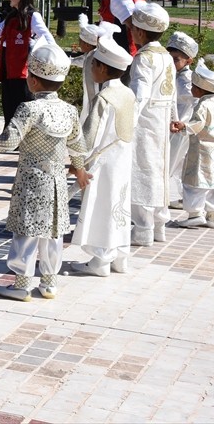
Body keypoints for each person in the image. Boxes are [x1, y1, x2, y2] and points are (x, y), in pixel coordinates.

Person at [0, 42, 87, 300]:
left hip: (31, 180)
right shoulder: (69, 110)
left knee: (27, 231)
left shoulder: (29, 109)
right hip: (57, 182)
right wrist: (80, 170)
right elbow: (77, 145)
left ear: (34, 82)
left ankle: (21, 285)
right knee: (53, 232)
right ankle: (49, 283)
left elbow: (9, 141)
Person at [67, 36, 135, 277]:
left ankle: (100, 261)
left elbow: (87, 136)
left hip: (103, 162)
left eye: (94, 64)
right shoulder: (128, 93)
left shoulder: (103, 99)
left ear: (103, 68)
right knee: (119, 205)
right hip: (123, 159)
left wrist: (76, 163)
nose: (91, 68)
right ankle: (120, 256)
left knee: (102, 207)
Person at [126, 2, 176, 247]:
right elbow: (172, 91)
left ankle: (143, 229)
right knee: (158, 170)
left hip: (145, 123)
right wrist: (174, 116)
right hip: (161, 120)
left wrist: (127, 122)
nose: (132, 31)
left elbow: (139, 94)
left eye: (134, 27)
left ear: (141, 32)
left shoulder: (144, 58)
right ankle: (159, 226)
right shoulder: (166, 56)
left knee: (142, 171)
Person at [173, 60, 214, 230]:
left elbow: (198, 124)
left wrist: (183, 126)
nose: (191, 89)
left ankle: (195, 214)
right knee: (212, 186)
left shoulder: (202, 105)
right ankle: (213, 216)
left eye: (194, 86)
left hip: (201, 150)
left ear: (202, 89)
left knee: (194, 184)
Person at [166, 31, 199, 210]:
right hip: (169, 125)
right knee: (173, 163)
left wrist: (181, 122)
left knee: (173, 162)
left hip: (179, 127)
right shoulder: (171, 75)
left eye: (176, 59)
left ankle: (168, 196)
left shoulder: (188, 80)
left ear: (189, 61)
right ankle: (178, 196)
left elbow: (190, 105)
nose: (172, 62)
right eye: (169, 57)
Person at [73, 14, 119, 126]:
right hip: (89, 96)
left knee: (93, 118)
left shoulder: (96, 56)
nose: (79, 45)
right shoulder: (90, 54)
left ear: (87, 44)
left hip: (95, 95)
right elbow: (81, 61)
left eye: (80, 42)